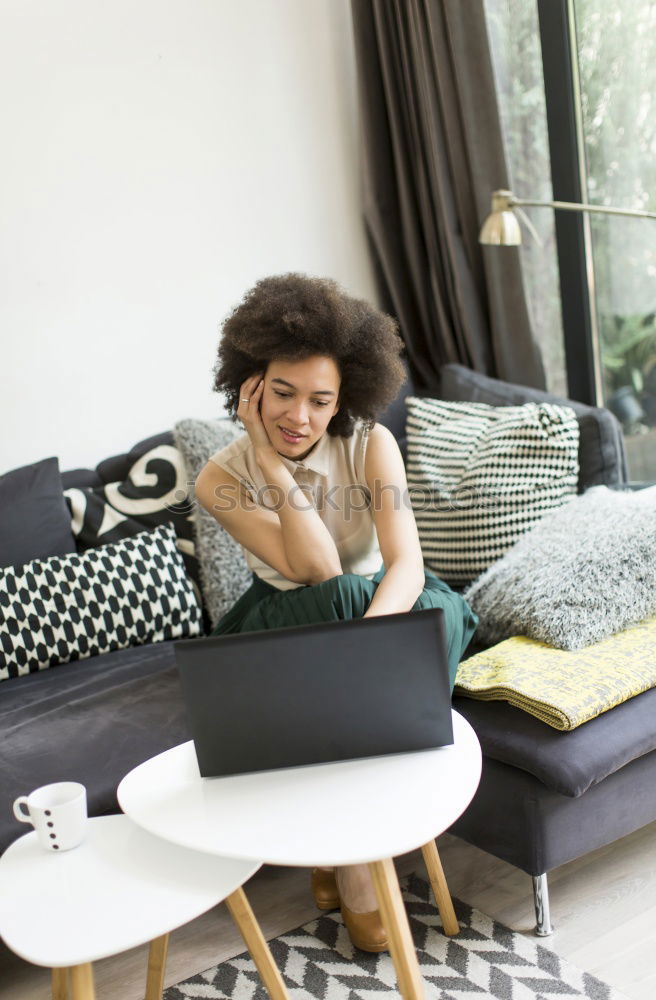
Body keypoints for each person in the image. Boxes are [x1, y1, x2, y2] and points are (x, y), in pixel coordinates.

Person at [195, 273, 478, 953]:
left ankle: (343, 852)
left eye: (321, 401)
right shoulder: (218, 479)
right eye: (282, 395)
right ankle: (358, 859)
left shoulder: (372, 442)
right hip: (292, 613)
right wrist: (268, 462)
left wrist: (373, 644)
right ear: (249, 389)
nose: (299, 417)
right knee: (335, 602)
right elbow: (315, 572)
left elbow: (404, 562)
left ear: (344, 396)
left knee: (371, 610)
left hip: (384, 600)